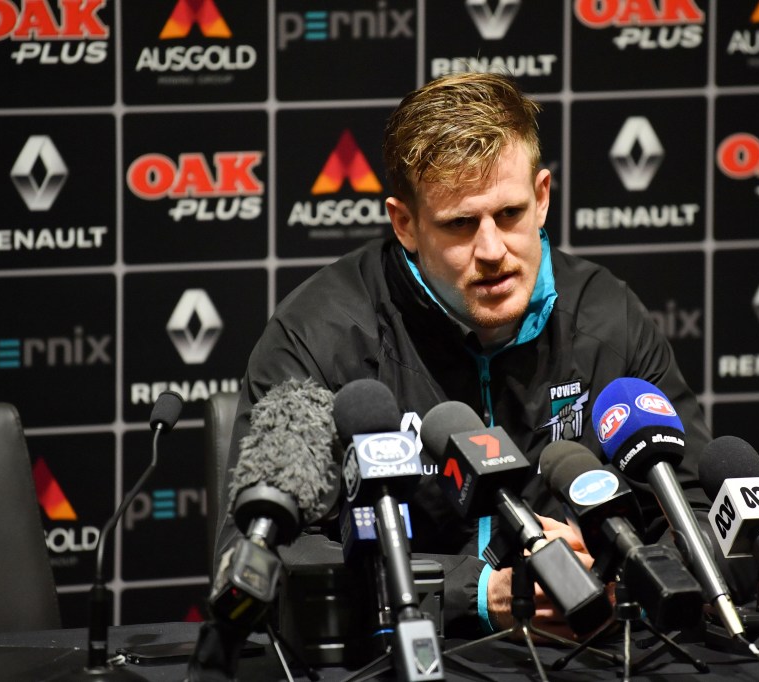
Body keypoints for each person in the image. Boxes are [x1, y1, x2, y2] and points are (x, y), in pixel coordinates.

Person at [215, 72, 713, 639]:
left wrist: (622, 568)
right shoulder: (319, 334)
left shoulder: (607, 318)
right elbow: (253, 560)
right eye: (459, 224)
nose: (493, 251)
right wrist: (475, 592)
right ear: (405, 224)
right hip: (399, 658)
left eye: (509, 214)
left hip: (583, 651)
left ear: (542, 196)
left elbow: (701, 514)